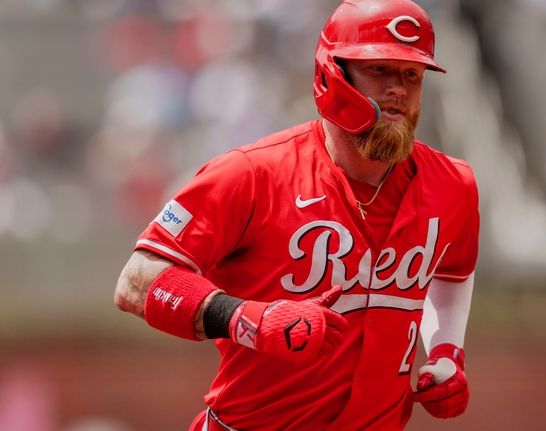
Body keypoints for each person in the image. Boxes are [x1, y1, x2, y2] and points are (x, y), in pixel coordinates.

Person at [113, 0, 479, 429]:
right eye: (379, 69)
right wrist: (249, 319)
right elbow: (138, 281)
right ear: (332, 74)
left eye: (411, 74)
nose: (399, 88)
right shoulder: (251, 173)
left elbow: (452, 270)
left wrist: (446, 350)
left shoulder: (453, 184)